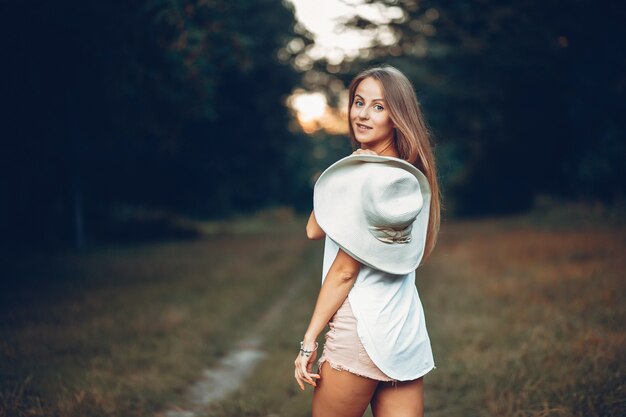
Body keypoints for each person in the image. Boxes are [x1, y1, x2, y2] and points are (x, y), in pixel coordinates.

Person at [293, 65, 442, 417]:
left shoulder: (368, 179)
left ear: (397, 116)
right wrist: (351, 169)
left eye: (378, 106)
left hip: (361, 332)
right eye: (359, 102)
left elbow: (344, 271)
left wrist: (308, 340)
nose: (362, 114)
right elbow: (315, 229)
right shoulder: (408, 177)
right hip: (404, 332)